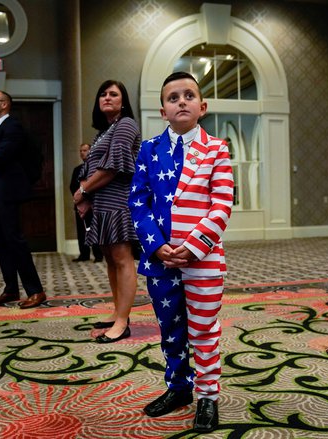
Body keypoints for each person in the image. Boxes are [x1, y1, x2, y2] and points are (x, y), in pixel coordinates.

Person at [128, 72, 234, 433]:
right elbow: (137, 202)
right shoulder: (148, 149)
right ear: (163, 110)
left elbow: (221, 206)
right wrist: (157, 247)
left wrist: (190, 248)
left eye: (189, 95)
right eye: (174, 97)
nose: (182, 101)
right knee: (169, 327)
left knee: (204, 330)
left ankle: (207, 396)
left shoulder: (217, 149)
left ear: (202, 107)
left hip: (202, 260)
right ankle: (179, 388)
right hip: (160, 261)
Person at [72, 79, 140, 343]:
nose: (107, 97)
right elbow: (92, 167)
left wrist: (83, 191)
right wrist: (87, 197)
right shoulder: (103, 131)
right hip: (102, 203)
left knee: (122, 259)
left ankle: (123, 322)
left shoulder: (125, 124)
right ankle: (117, 311)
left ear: (123, 101)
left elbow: (113, 167)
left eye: (114, 94)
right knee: (110, 260)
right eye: (103, 94)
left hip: (119, 202)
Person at [0, 90, 46, 309]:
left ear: (4, 104)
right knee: (0, 242)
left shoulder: (13, 126)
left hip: (7, 192)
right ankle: (11, 289)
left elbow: (2, 156)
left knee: (14, 240)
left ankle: (35, 291)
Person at [69, 143, 103, 263]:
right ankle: (84, 254)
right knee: (81, 230)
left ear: (90, 151)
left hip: (94, 203)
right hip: (80, 204)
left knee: (94, 229)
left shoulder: (96, 168)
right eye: (81, 151)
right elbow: (72, 186)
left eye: (85, 150)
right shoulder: (77, 170)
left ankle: (98, 254)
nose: (82, 153)